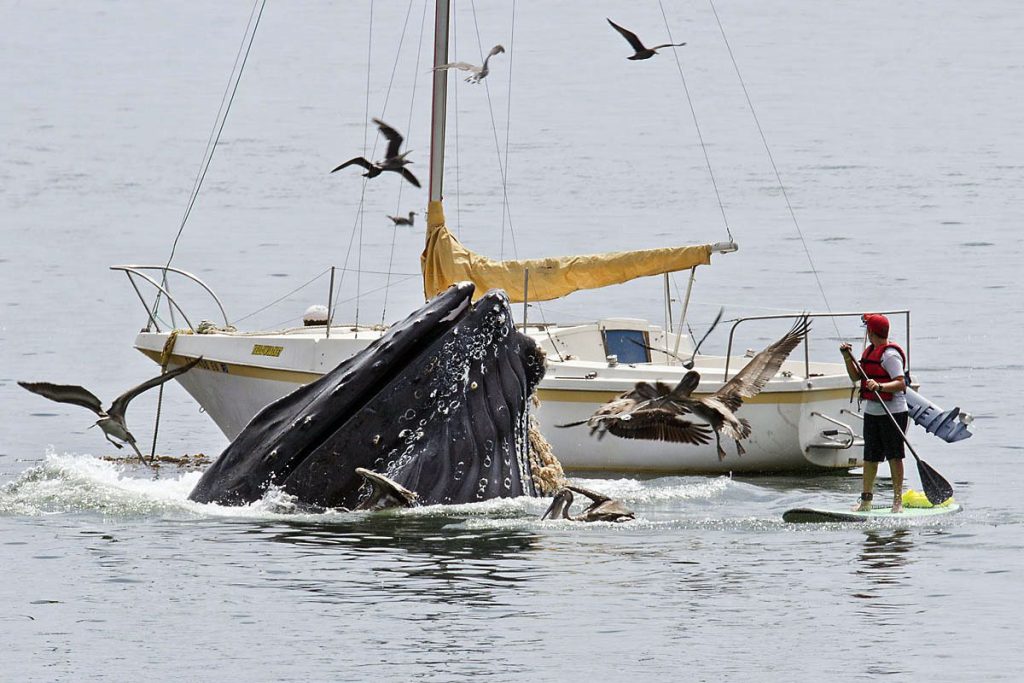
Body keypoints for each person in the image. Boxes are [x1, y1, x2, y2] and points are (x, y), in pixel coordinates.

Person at [840, 313, 909, 513]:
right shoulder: (869, 352)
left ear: (871, 332)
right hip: (873, 412)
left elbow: (901, 383)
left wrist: (879, 386)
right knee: (870, 457)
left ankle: (898, 502)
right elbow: (855, 377)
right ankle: (866, 501)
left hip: (893, 412)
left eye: (867, 330)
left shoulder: (890, 356)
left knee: (894, 457)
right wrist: (846, 357)